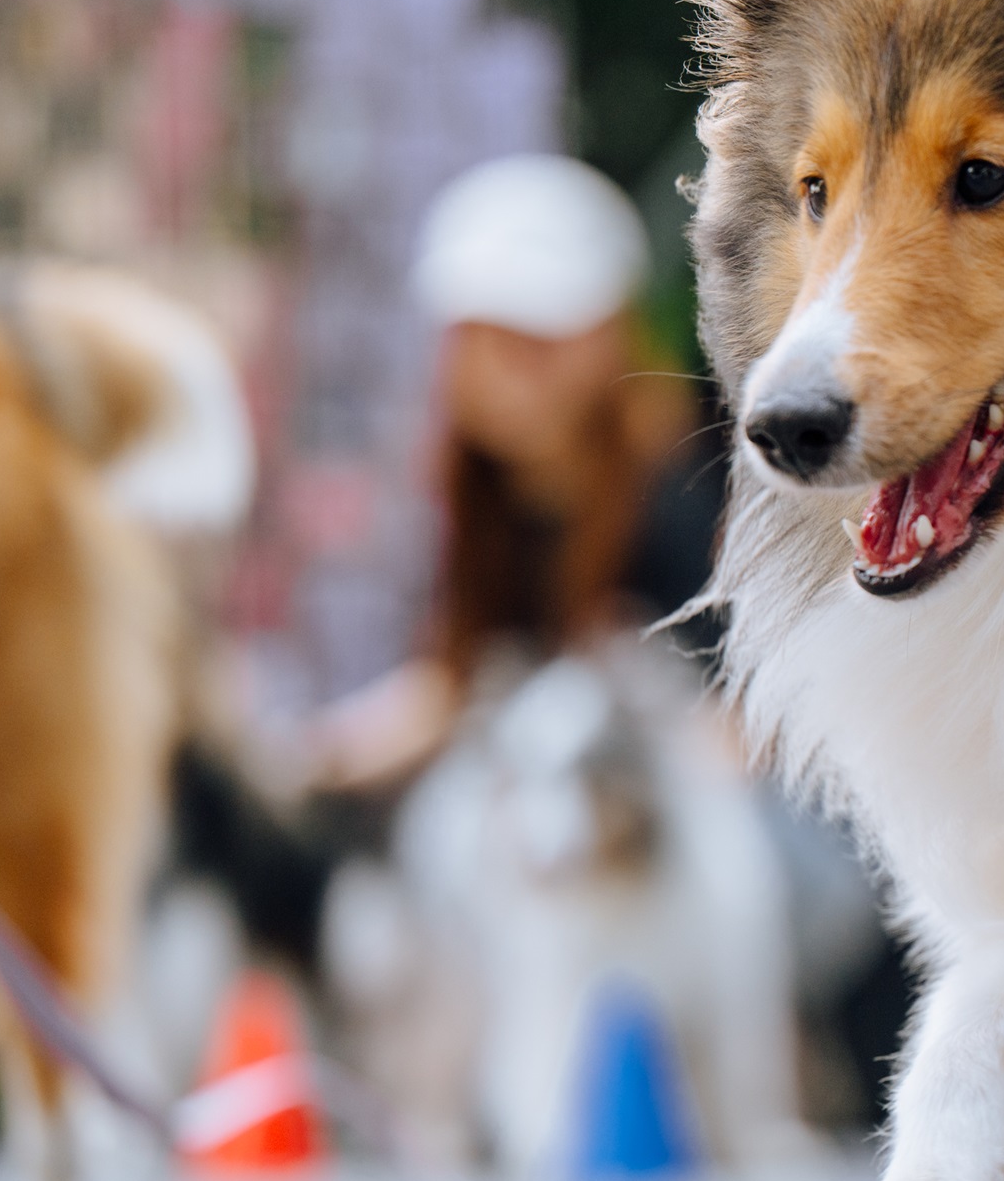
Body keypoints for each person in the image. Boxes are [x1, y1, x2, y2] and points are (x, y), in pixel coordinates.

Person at [303, 154, 724, 789]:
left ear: (607, 336)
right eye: (479, 335)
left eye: (534, 335)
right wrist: (311, 763)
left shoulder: (687, 493)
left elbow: (742, 729)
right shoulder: (487, 497)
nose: (500, 365)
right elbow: (455, 683)